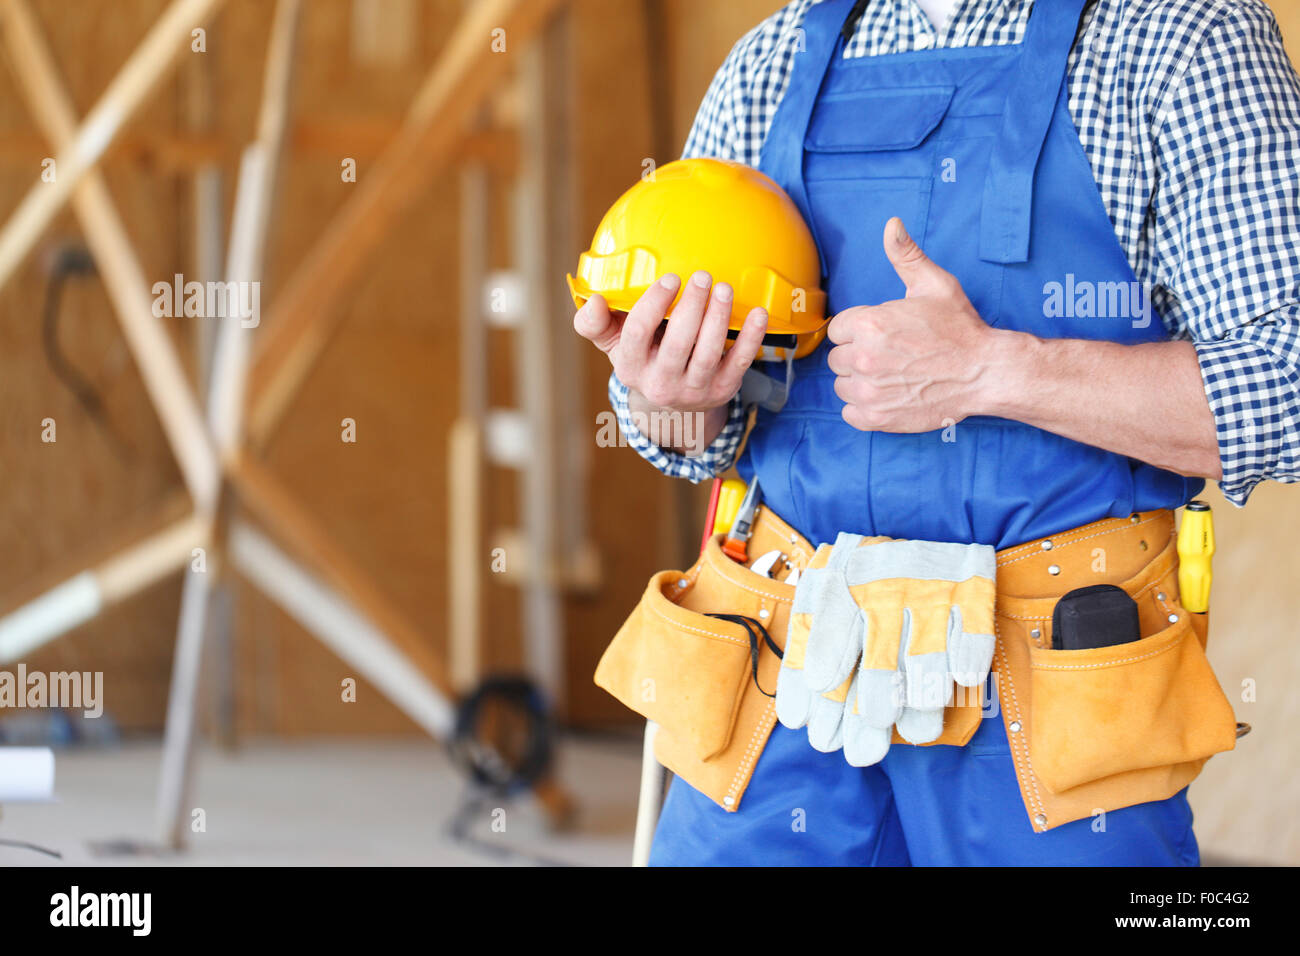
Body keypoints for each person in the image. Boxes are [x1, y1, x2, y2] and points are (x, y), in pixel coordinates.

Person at [574, 0, 1300, 865]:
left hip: (1059, 705)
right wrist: (665, 395)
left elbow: (1285, 388)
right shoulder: (768, 62)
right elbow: (690, 433)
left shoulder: (1181, 39)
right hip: (784, 691)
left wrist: (996, 372)